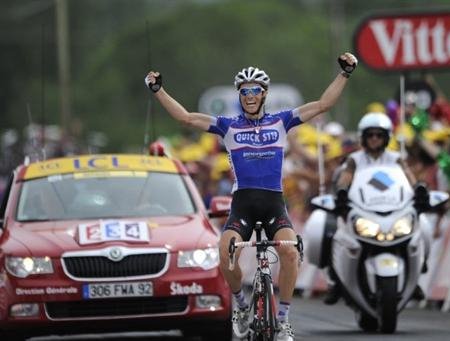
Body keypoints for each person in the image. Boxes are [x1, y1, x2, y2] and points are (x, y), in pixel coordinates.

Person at [144, 52, 358, 340]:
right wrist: (159, 90)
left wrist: (344, 74)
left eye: (255, 90)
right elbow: (185, 118)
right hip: (243, 205)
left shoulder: (281, 122)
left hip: (273, 204)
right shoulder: (228, 126)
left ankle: (282, 320)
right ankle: (242, 307)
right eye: (244, 91)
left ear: (264, 94)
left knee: (290, 252)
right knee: (225, 253)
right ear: (239, 96)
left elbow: (323, 105)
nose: (250, 95)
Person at [324, 112, 426, 305]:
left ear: (386, 137)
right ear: (363, 137)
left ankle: (417, 277)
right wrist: (342, 191)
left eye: (379, 135)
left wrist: (419, 188)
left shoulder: (396, 158)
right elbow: (346, 177)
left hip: (394, 211)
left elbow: (409, 177)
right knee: (334, 234)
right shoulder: (355, 159)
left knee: (424, 229)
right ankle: (335, 281)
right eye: (370, 135)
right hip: (362, 211)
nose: (374, 139)